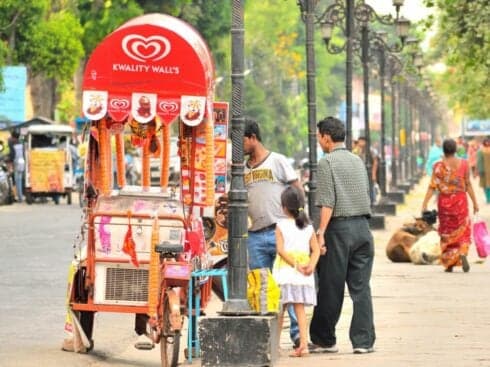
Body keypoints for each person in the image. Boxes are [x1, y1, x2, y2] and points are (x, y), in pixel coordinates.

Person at [309, 116, 375, 354]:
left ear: (327, 137)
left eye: (318, 136)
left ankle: (324, 339)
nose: (318, 140)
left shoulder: (326, 162)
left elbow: (327, 202)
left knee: (330, 285)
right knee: (361, 287)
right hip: (363, 230)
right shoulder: (357, 160)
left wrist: (321, 233)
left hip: (339, 230)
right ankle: (363, 341)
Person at [243, 118, 302, 347]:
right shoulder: (243, 169)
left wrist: (299, 219)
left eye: (241, 141)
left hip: (280, 231)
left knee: (287, 282)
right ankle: (266, 335)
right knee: (262, 284)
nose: (239, 147)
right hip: (255, 234)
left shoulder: (277, 161)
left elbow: (297, 189)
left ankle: (297, 334)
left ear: (252, 138)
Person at [272, 186, 320, 357]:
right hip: (303, 276)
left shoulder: (281, 225)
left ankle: (274, 346)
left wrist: (295, 266)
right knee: (300, 309)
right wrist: (311, 266)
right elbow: (315, 250)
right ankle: (304, 346)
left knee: (280, 310)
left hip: (285, 274)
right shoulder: (308, 226)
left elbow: (280, 250)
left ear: (284, 207)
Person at [421, 138, 479, 273]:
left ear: (443, 150)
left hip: (445, 203)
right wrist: (475, 202)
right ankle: (462, 251)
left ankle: (450, 263)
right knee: (463, 228)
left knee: (447, 232)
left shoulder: (438, 166)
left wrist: (425, 203)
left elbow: (432, 187)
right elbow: (468, 184)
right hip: (460, 201)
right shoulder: (464, 164)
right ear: (455, 150)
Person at [356, 136, 379, 204]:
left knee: (371, 188)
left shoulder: (370, 150)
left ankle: (373, 202)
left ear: (364, 142)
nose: (359, 143)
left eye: (361, 141)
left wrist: (373, 173)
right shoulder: (359, 150)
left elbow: (375, 162)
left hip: (369, 172)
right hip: (362, 173)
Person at [9, 131, 25, 203]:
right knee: (20, 180)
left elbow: (12, 155)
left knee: (17, 180)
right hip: (22, 162)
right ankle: (20, 196)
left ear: (13, 137)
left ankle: (20, 198)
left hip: (17, 162)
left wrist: (10, 161)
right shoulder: (21, 143)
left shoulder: (12, 143)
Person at [477, 137, 490, 203]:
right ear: (483, 143)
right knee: (485, 185)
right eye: (486, 142)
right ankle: (488, 198)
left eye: (488, 142)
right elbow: (479, 161)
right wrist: (480, 170)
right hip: (484, 171)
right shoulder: (480, 151)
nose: (487, 143)